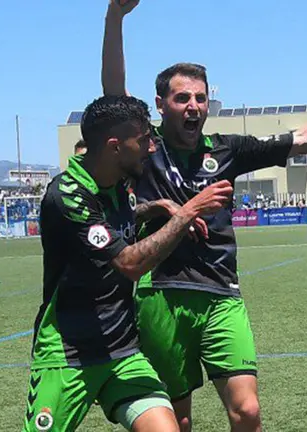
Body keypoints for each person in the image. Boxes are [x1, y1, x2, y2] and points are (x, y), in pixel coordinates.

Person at [101, 2, 307, 430]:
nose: (194, 105)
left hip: (221, 293)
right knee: (176, 420)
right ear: (160, 104)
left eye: (201, 97)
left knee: (248, 410)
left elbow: (303, 140)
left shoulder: (227, 149)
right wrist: (115, 19)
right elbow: (113, 95)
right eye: (182, 98)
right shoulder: (145, 146)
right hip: (160, 294)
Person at [23, 94, 234, 432]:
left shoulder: (121, 186)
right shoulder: (67, 194)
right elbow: (129, 263)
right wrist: (189, 210)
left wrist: (159, 206)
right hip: (68, 353)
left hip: (123, 351)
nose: (152, 147)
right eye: (144, 139)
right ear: (115, 146)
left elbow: (117, 221)